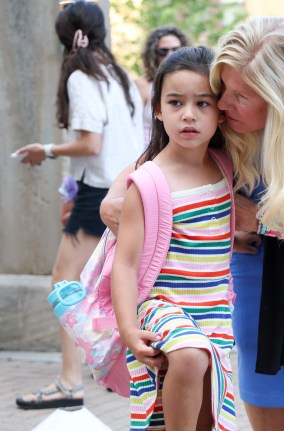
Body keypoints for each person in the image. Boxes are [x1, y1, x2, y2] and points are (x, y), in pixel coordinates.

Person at [101, 16, 284, 431]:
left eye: (240, 97)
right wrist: (116, 200)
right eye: (222, 91)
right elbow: (152, 162)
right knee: (261, 369)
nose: (222, 106)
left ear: (282, 101)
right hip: (254, 250)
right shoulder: (228, 83)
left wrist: (259, 217)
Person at [14, 0, 143, 410]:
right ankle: (103, 368)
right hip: (124, 189)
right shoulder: (119, 74)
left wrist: (44, 149)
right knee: (101, 282)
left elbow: (91, 144)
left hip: (101, 194)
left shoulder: (81, 76)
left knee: (64, 284)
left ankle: (71, 381)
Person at [112, 46, 235, 431]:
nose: (188, 114)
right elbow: (125, 263)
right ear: (158, 110)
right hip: (162, 304)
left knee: (202, 416)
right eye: (176, 102)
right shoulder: (149, 180)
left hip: (215, 308)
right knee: (191, 355)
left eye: (202, 103)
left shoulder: (226, 166)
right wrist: (129, 330)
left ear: (220, 112)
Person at [134, 26, 190, 146]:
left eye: (176, 50)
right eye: (163, 51)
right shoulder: (143, 84)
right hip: (148, 154)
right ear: (153, 55)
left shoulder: (192, 83)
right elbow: (131, 127)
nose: (170, 55)